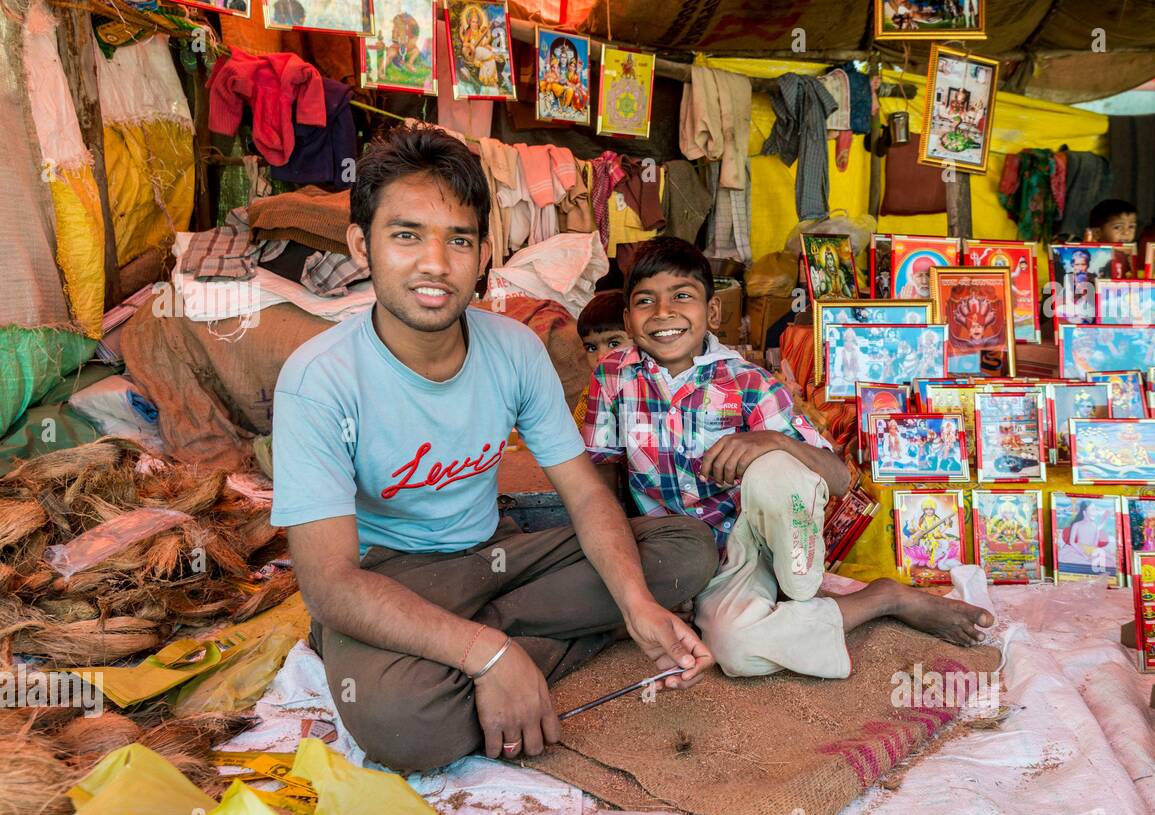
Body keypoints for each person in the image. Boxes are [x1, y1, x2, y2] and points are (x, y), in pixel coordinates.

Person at [270, 128, 719, 772]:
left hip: (498, 557)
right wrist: (490, 653)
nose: (434, 263)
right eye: (406, 235)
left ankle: (479, 651)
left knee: (687, 548)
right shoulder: (319, 380)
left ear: (484, 252)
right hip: (389, 578)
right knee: (402, 730)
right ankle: (500, 652)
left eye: (458, 240)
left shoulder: (514, 347)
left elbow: (584, 491)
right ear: (359, 246)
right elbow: (330, 583)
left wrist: (636, 603)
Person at [582, 237, 992, 680]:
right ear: (628, 318)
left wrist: (771, 441)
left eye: (682, 295)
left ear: (713, 312)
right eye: (646, 301)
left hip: (743, 546)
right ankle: (862, 602)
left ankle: (820, 587)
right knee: (737, 648)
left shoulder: (750, 383)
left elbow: (837, 479)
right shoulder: (614, 375)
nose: (663, 312)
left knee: (778, 465)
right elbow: (601, 469)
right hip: (671, 548)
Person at [571, 290, 628, 428]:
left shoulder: (655, 387)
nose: (601, 356)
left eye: (614, 344)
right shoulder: (590, 394)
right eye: (591, 348)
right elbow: (578, 440)